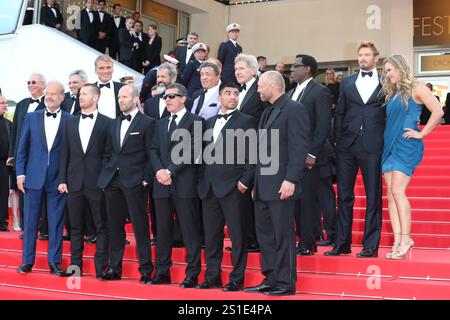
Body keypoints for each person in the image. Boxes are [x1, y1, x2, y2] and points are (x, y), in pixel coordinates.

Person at [244, 71, 309, 296]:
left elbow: (298, 149)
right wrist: (255, 183)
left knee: (283, 235)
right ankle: (270, 278)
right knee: (266, 237)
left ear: (273, 85)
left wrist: (291, 179)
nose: (258, 90)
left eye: (260, 86)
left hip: (282, 184)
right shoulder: (267, 111)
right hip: (263, 186)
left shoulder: (294, 109)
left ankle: (286, 282)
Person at [325, 42, 385, 258]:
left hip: (373, 145)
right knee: (344, 195)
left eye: (367, 54)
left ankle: (370, 246)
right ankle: (342, 243)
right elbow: (339, 112)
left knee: (373, 197)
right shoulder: (348, 82)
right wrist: (338, 139)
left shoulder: (386, 81)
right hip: (346, 147)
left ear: (376, 58)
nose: (363, 58)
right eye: (360, 55)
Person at [382, 55, 444, 260]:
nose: (387, 74)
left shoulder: (417, 87)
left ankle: (407, 238)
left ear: (400, 68)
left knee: (398, 192)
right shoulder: (394, 91)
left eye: (390, 70)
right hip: (389, 144)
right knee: (391, 194)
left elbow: (437, 110)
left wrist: (422, 133)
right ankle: (399, 239)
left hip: (406, 144)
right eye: (386, 70)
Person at [197, 82, 256, 291]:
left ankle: (236, 278)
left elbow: (253, 155)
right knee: (211, 236)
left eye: (236, 93)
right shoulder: (209, 122)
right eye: (228, 93)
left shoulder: (247, 121)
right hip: (209, 188)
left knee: (238, 236)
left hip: (234, 187)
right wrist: (202, 181)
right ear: (219, 97)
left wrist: (244, 182)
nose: (233, 96)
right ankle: (212, 275)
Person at [97, 85, 155, 284]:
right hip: (112, 180)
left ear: (135, 98)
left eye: (125, 97)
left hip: (135, 180)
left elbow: (151, 153)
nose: (121, 100)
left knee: (140, 227)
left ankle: (146, 270)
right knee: (114, 227)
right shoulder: (113, 124)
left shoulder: (148, 123)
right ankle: (114, 267)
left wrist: (145, 178)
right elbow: (108, 152)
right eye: (119, 97)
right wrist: (107, 169)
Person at [149, 83, 204, 288]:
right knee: (162, 230)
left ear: (183, 98)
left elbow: (193, 151)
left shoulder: (196, 121)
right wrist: (160, 172)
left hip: (184, 183)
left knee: (189, 230)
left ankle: (192, 273)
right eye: (165, 97)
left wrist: (170, 170)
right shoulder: (160, 123)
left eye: (172, 96)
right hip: (161, 183)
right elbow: (153, 150)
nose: (168, 100)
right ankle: (162, 271)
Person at [16, 81, 70, 276]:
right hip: (33, 177)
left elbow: (71, 153)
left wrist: (67, 178)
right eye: (48, 93)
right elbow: (22, 148)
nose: (49, 96)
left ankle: (55, 262)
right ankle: (27, 261)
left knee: (56, 222)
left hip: (58, 179)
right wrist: (20, 174)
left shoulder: (69, 119)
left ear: (62, 97)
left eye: (54, 94)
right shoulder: (31, 118)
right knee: (30, 221)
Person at [58, 83, 111, 277]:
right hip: (74, 183)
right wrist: (62, 179)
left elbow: (110, 155)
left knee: (101, 226)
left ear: (96, 98)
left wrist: (105, 180)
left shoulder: (107, 123)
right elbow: (64, 153)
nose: (80, 97)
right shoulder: (69, 122)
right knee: (75, 227)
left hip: (97, 183)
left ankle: (101, 268)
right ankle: (75, 268)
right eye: (80, 94)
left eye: (85, 94)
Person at [287, 54, 332, 255]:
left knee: (307, 201)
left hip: (309, 157)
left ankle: (307, 242)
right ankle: (304, 239)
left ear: (307, 69)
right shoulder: (290, 93)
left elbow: (323, 126)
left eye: (296, 66)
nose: (292, 69)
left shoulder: (320, 92)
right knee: (295, 200)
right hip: (292, 156)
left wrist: (312, 153)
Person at [7, 74, 47, 235]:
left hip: (41, 156)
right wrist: (12, 153)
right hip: (23, 157)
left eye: (34, 82)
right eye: (28, 82)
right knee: (23, 191)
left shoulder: (49, 103)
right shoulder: (22, 104)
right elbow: (15, 129)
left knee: (43, 191)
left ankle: (44, 228)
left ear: (43, 85)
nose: (30, 85)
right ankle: (26, 228)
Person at [234, 53, 266, 122]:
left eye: (241, 68)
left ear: (253, 71)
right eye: (236, 69)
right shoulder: (235, 90)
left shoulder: (261, 89)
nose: (237, 72)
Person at [94, 54, 123, 119]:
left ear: (113, 69)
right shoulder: (89, 89)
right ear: (95, 70)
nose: (105, 71)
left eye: (108, 67)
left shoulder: (123, 88)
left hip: (117, 127)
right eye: (101, 68)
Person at [0, 96, 11, 232]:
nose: (5, 105)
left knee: (3, 193)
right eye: (2, 103)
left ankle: (2, 221)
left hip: (3, 164)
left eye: (5, 103)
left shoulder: (8, 123)